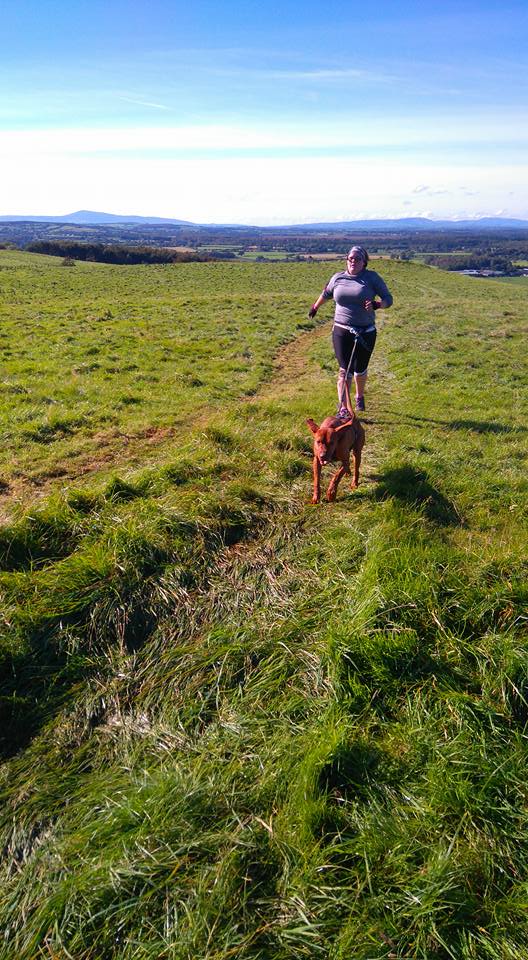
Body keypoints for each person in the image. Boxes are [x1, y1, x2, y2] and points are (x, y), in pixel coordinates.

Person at [308, 245, 393, 414]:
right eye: (350, 258)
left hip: (366, 332)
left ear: (364, 262)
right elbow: (326, 293)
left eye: (357, 259)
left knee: (360, 369)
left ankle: (359, 396)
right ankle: (344, 409)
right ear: (347, 260)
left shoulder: (372, 278)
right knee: (344, 370)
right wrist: (315, 307)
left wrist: (377, 305)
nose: (353, 261)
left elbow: (388, 299)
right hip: (341, 329)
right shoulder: (338, 278)